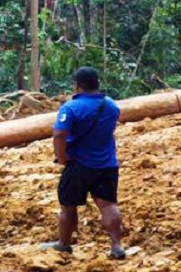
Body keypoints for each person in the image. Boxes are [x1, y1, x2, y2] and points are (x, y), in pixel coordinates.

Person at [40, 67, 126, 259]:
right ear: (97, 84)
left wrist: (61, 158)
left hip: (79, 164)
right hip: (107, 164)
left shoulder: (70, 108)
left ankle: (64, 244)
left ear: (77, 85)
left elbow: (59, 134)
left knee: (68, 205)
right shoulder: (111, 105)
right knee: (108, 205)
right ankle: (116, 245)